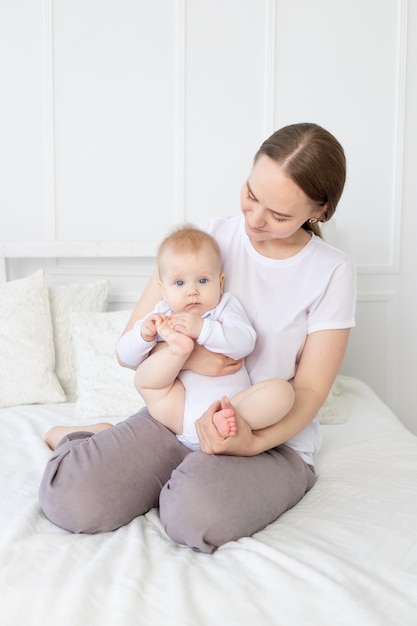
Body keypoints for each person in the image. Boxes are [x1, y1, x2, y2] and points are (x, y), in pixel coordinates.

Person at [39, 122, 356, 554]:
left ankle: (188, 475)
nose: (255, 219)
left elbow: (309, 391)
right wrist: (191, 359)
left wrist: (251, 441)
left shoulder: (331, 272)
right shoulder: (208, 239)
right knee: (71, 495)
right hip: (178, 418)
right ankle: (93, 438)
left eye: (278, 215)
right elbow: (133, 343)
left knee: (194, 514)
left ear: (317, 211)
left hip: (270, 439)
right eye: (251, 194)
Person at [116, 225, 295, 450]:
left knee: (282, 393)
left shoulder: (223, 308)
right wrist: (143, 336)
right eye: (179, 283)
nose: (192, 291)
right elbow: (126, 356)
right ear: (163, 290)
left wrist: (203, 329)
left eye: (202, 281)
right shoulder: (161, 315)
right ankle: (177, 351)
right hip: (177, 410)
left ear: (219, 283)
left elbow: (245, 342)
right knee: (146, 380)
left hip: (231, 404)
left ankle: (221, 421)